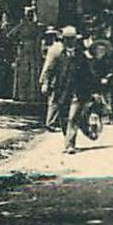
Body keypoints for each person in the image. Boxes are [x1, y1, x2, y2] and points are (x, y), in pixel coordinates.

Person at [44, 27, 96, 155]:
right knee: (63, 117)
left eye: (72, 39)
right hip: (62, 90)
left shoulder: (81, 55)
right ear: (63, 40)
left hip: (78, 91)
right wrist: (45, 83)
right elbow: (49, 70)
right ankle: (69, 137)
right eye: (67, 39)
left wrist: (93, 90)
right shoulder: (58, 54)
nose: (70, 42)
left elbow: (88, 73)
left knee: (73, 118)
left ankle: (70, 145)